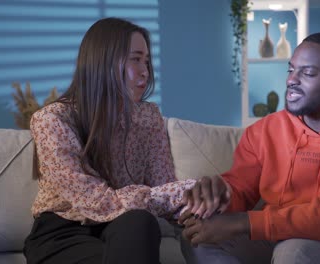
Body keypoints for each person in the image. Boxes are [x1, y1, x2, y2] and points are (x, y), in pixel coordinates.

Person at [179, 32, 320, 264]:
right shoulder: (266, 129)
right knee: (198, 240)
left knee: (294, 251)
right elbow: (241, 188)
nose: (291, 80)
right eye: (291, 70)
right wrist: (221, 196)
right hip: (274, 237)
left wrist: (244, 222)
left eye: (307, 73)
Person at [23, 17, 195, 264]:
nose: (145, 71)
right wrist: (178, 192)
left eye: (146, 61)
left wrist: (200, 201)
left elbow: (164, 187)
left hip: (124, 226)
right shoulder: (52, 120)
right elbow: (95, 201)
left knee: (139, 220)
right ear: (102, 62)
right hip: (63, 232)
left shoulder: (148, 117)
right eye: (135, 59)